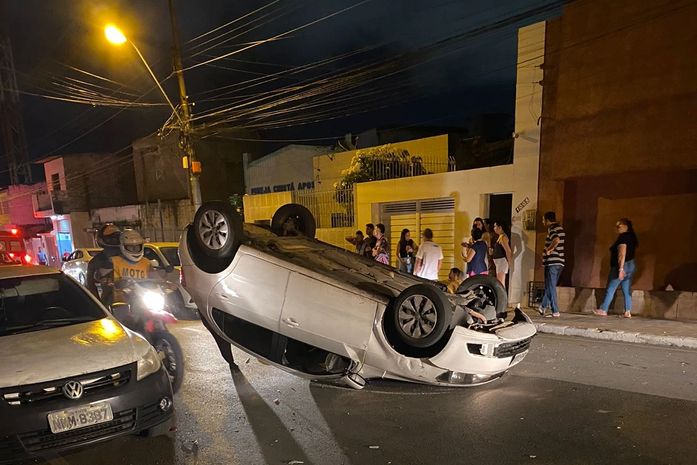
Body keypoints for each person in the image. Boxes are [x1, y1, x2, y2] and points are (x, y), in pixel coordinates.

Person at [594, 218, 639, 318]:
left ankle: (603, 309)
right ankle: (628, 311)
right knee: (626, 289)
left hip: (622, 266)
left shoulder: (623, 237)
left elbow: (622, 253)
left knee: (611, 288)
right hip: (631, 265)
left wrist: (621, 269)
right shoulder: (632, 237)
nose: (617, 228)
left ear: (626, 226)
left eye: (619, 226)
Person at [86, 224, 122, 305]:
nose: (115, 240)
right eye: (111, 238)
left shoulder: (128, 256)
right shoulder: (96, 262)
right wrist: (98, 304)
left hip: (134, 299)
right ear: (102, 239)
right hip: (109, 302)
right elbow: (90, 285)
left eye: (117, 237)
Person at [539, 211, 566, 318]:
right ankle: (543, 306)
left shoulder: (552, 229)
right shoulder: (560, 228)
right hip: (559, 262)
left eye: (543, 219)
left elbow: (556, 240)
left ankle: (555, 311)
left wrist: (549, 250)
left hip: (553, 262)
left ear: (547, 220)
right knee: (549, 286)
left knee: (551, 286)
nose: (542, 221)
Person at [492, 221, 512, 287]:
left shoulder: (503, 237)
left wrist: (509, 262)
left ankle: (502, 296)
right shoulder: (500, 237)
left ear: (500, 227)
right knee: (499, 281)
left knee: (500, 282)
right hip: (499, 262)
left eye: (495, 226)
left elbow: (508, 250)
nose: (494, 228)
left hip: (502, 261)